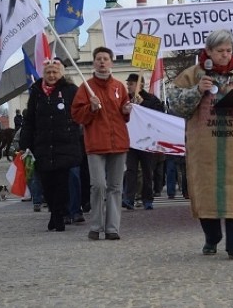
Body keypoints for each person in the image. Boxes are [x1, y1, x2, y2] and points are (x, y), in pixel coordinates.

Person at [167, 29, 233, 261]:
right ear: (209, 52)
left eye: (229, 50)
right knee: (206, 194)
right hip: (205, 148)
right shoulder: (192, 75)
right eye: (220, 51)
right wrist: (197, 90)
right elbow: (175, 105)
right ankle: (211, 237)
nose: (225, 55)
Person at [72, 47, 132, 241]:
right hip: (96, 144)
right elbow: (77, 115)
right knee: (98, 185)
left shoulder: (119, 87)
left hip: (118, 142)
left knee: (115, 186)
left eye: (106, 59)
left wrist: (126, 109)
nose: (102, 62)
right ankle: (96, 226)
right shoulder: (86, 88)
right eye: (99, 59)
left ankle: (113, 228)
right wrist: (91, 108)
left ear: (111, 62)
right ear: (94, 62)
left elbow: (124, 115)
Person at [19, 60, 83, 232]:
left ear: (61, 73)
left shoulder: (70, 90)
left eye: (55, 72)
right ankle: (55, 214)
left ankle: (59, 216)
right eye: (48, 72)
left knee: (62, 182)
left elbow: (80, 113)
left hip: (65, 144)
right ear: (43, 74)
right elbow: (29, 121)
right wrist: (24, 144)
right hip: (43, 144)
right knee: (47, 183)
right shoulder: (36, 93)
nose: (52, 75)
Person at [122, 73, 164, 210]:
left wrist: (143, 104)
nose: (128, 86)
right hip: (131, 140)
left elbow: (159, 114)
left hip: (147, 140)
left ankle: (147, 199)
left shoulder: (151, 99)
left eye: (131, 84)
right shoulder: (125, 99)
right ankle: (129, 198)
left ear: (140, 84)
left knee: (147, 171)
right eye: (128, 84)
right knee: (131, 170)